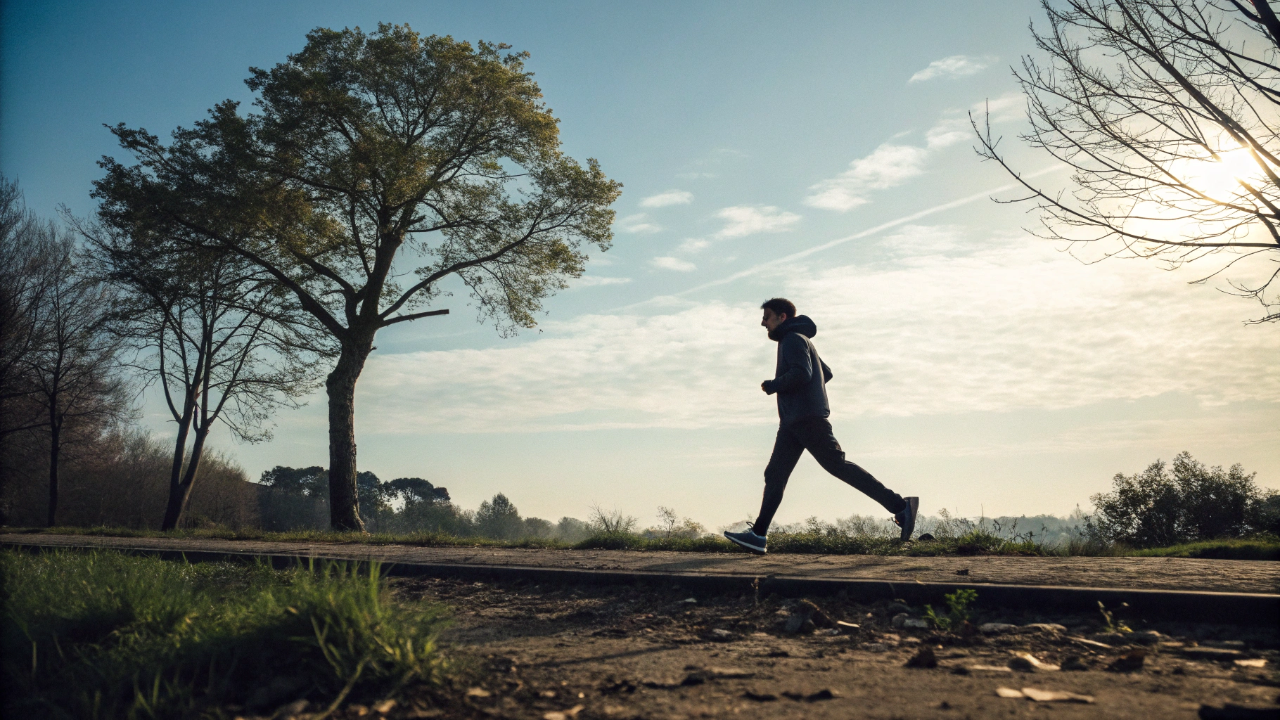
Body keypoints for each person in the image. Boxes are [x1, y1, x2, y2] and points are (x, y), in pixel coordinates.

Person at [723, 298, 918, 554]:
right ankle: (758, 535)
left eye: (767, 317)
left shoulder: (792, 339)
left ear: (782, 317)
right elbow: (825, 372)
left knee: (837, 466)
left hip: (807, 419)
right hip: (794, 421)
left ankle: (900, 507)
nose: (763, 323)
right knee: (775, 475)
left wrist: (774, 385)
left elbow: (803, 373)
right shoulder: (800, 340)